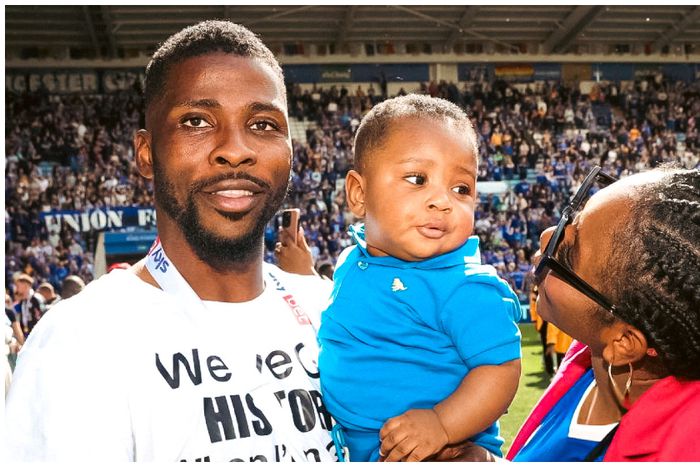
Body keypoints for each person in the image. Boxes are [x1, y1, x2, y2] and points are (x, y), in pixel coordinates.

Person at [5, 21, 337, 462]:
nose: (235, 149)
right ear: (146, 153)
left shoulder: (334, 309)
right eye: (197, 121)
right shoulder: (80, 342)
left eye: (262, 123)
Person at [317, 95, 522, 461]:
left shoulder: (465, 286)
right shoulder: (351, 260)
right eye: (418, 179)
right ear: (359, 194)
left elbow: (501, 369)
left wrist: (441, 424)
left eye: (461, 189)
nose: (442, 201)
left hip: (439, 453)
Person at [508, 166, 700, 461]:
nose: (547, 237)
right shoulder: (590, 357)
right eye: (574, 216)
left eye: (569, 256)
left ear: (623, 343)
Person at [12, 273, 46, 337]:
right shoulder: (23, 301)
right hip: (28, 334)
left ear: (25, 285)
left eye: (18, 285)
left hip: (39, 335)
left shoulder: (36, 298)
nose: (16, 288)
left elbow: (43, 315)